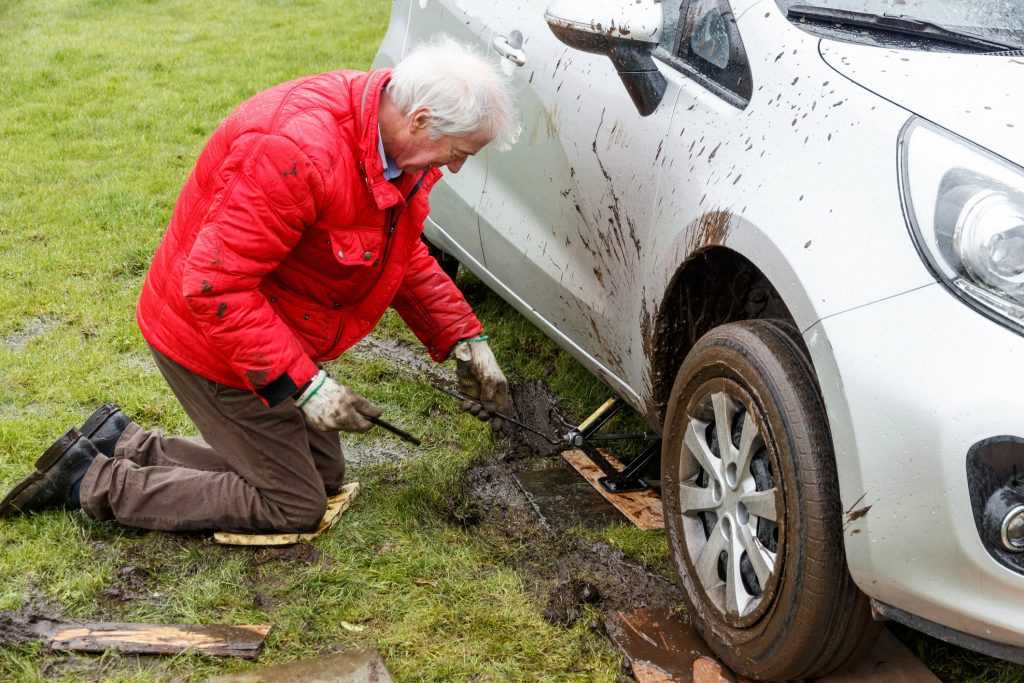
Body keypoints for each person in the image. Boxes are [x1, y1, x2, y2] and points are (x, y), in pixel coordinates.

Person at [0, 38, 519, 532]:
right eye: (459, 151)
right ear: (421, 120)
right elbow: (213, 288)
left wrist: (463, 339)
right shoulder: (295, 149)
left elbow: (397, 254)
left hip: (268, 330)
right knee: (292, 502)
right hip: (210, 338)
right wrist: (308, 385)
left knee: (322, 477)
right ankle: (91, 481)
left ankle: (127, 445)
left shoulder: (390, 149)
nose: (455, 166)